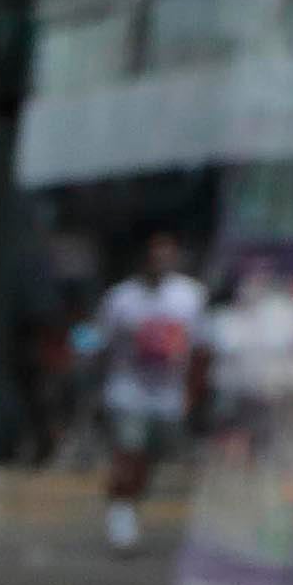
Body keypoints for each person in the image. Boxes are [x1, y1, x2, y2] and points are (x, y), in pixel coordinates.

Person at [92, 229, 204, 553]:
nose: (161, 261)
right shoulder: (121, 299)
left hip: (167, 397)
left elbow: (199, 349)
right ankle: (120, 514)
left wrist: (192, 393)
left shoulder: (189, 297)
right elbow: (102, 343)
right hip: (126, 391)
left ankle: (129, 504)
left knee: (147, 459)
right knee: (127, 451)